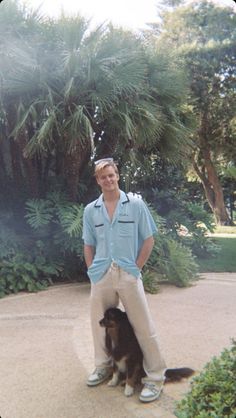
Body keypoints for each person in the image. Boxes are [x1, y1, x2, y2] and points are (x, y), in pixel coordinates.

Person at [82, 158, 166, 403]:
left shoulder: (136, 205)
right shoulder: (90, 210)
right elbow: (88, 244)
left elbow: (148, 239)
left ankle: (155, 378)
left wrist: (136, 268)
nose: (108, 180)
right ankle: (102, 367)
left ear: (117, 175)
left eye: (111, 175)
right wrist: (92, 272)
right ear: (98, 180)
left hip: (128, 273)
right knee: (98, 326)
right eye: (102, 177)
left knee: (143, 326)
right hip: (101, 275)